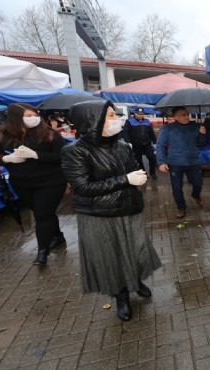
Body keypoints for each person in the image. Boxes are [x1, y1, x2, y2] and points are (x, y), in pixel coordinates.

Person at [61, 100, 162, 322]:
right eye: (110, 116)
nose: (116, 119)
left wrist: (138, 177)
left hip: (129, 208)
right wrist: (125, 179)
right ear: (92, 120)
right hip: (101, 214)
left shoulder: (123, 145)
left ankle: (135, 282)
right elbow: (83, 187)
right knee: (111, 256)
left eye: (115, 115)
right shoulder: (74, 151)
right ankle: (121, 295)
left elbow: (135, 168)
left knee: (134, 250)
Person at [0, 103, 68, 266]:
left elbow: (62, 156)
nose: (34, 119)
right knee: (43, 211)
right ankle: (57, 236)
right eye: (28, 116)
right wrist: (6, 159)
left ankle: (42, 251)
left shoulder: (50, 134)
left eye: (35, 115)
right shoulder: (3, 135)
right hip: (21, 182)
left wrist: (36, 155)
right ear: (16, 118)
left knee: (42, 214)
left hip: (50, 181)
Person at [156, 106, 207, 218]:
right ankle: (181, 208)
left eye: (187, 114)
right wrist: (161, 162)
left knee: (198, 183)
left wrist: (202, 134)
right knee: (177, 188)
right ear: (175, 116)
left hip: (192, 162)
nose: (187, 116)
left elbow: (202, 143)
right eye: (183, 114)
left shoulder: (194, 126)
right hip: (175, 163)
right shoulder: (167, 128)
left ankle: (196, 195)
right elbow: (159, 145)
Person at [122, 107, 157, 179]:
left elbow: (151, 133)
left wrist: (155, 142)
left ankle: (152, 173)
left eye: (142, 114)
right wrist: (128, 142)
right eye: (139, 114)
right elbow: (125, 133)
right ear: (135, 114)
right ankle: (144, 173)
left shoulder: (147, 121)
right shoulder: (129, 121)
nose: (141, 115)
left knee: (152, 158)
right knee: (139, 160)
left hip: (147, 144)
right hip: (136, 145)